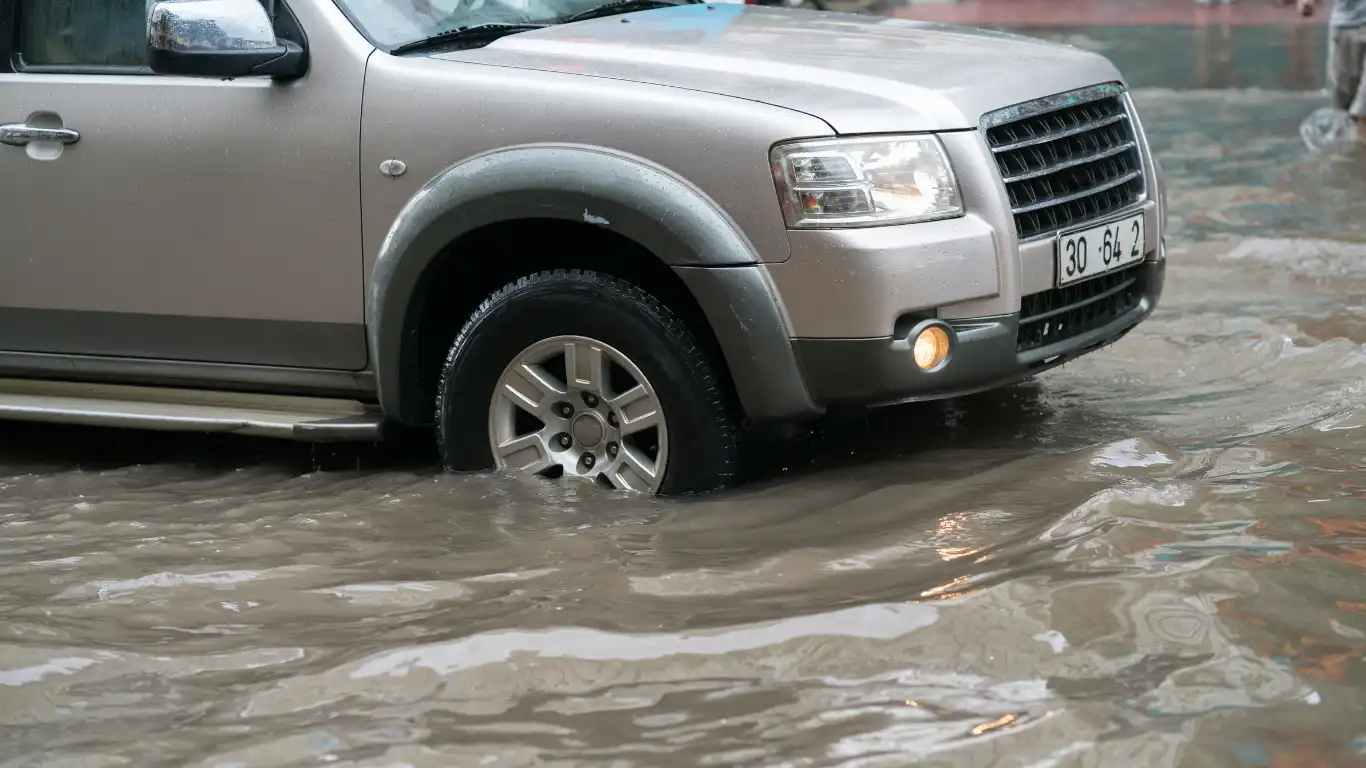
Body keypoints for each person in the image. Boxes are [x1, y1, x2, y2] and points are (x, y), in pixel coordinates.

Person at [1300, 0, 1366, 140]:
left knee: (1363, 109)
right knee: (1343, 103)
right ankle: (1350, 151)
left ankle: (1358, 153)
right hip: (1345, 26)